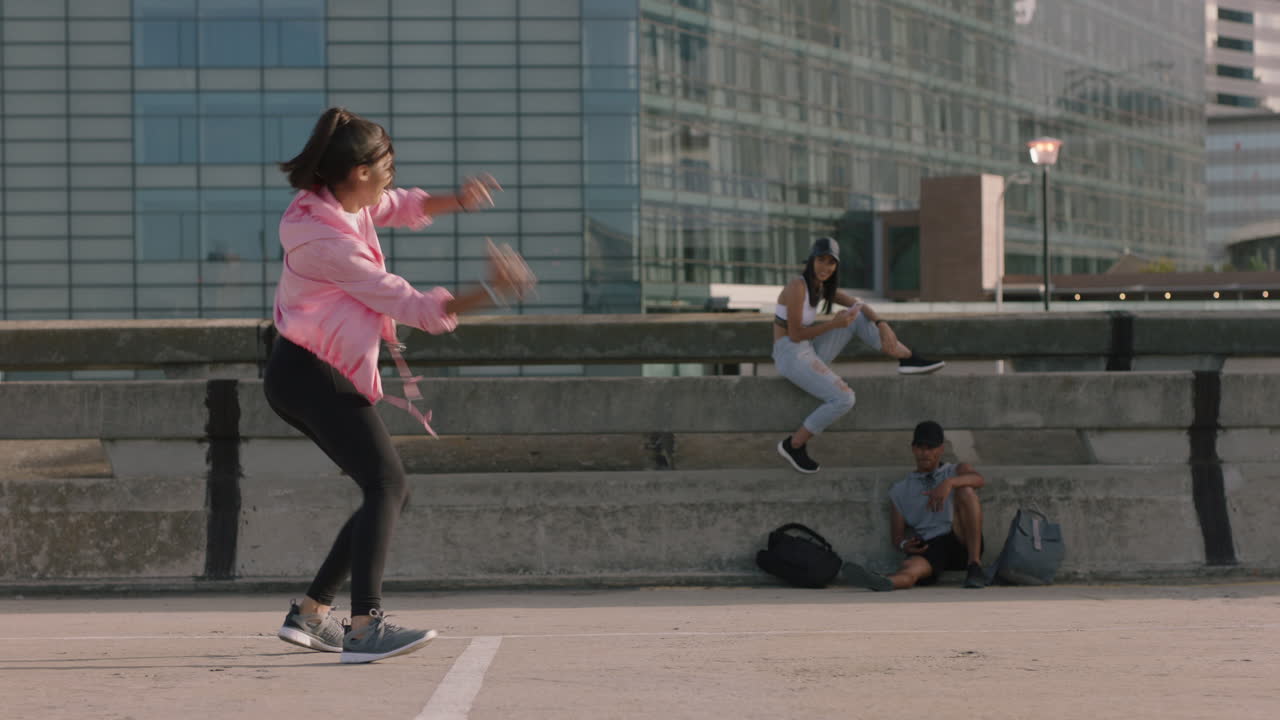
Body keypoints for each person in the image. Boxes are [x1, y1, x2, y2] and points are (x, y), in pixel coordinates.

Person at [266, 107, 535, 664]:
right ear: (360, 170)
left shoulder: (335, 201)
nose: (392, 172)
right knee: (387, 485)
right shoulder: (329, 242)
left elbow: (400, 203)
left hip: (304, 370)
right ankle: (364, 628)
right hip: (312, 373)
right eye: (386, 163)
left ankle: (313, 615)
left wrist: (456, 200)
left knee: (383, 488)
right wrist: (492, 290)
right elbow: (411, 305)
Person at [774, 237, 945, 473]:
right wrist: (834, 325)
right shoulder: (797, 286)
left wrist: (882, 323)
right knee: (844, 398)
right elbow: (794, 334)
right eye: (821, 260)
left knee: (855, 317)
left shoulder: (821, 286)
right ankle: (793, 444)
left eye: (831, 263)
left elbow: (859, 305)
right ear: (812, 260)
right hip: (789, 354)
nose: (825, 267)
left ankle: (906, 358)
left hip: (807, 349)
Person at [843, 421, 987, 591]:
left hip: (960, 539)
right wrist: (905, 545)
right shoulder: (900, 490)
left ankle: (975, 566)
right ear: (913, 448)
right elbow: (897, 538)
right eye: (920, 447)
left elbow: (979, 480)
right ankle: (884, 582)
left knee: (966, 491)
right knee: (910, 569)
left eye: (931, 447)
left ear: (941, 449)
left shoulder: (955, 471)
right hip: (930, 545)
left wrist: (949, 483)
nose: (925, 453)